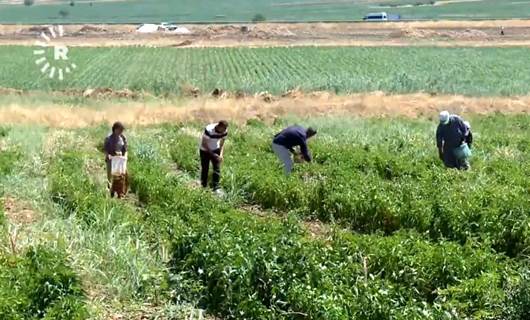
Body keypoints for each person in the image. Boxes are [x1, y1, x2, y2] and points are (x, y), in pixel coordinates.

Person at [199, 120, 228, 191]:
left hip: (216, 149)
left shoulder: (224, 131)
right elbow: (204, 143)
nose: (223, 131)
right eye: (222, 129)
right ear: (218, 126)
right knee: (205, 169)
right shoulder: (209, 129)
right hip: (205, 151)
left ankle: (216, 187)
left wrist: (221, 154)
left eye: (224, 129)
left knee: (217, 169)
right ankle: (204, 187)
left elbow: (222, 143)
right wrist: (213, 154)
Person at [104, 121, 128, 186]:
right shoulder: (108, 138)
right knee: (110, 175)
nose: (121, 132)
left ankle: (120, 191)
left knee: (121, 175)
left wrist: (125, 156)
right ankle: (110, 189)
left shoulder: (123, 138)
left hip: (120, 160)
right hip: (111, 160)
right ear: (115, 129)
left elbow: (125, 149)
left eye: (122, 130)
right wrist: (109, 156)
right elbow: (106, 150)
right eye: (120, 130)